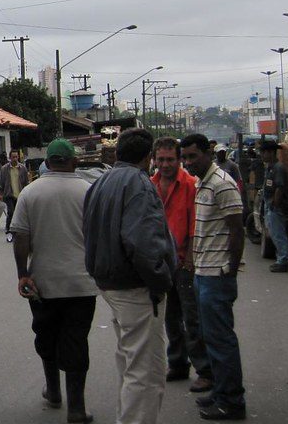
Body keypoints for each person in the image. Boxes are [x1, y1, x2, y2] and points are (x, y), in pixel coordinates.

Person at [83, 128, 176, 424]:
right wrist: (161, 280)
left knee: (130, 362)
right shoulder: (138, 184)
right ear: (148, 157)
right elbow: (142, 242)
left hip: (111, 284)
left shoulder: (102, 182)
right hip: (136, 288)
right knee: (145, 372)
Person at [11, 138, 96, 423]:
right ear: (73, 162)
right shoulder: (89, 191)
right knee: (76, 340)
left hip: (43, 283)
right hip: (81, 283)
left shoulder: (30, 192)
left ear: (48, 162)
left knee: (46, 336)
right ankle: (76, 408)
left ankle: (54, 390)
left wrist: (23, 273)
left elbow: (21, 236)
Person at [180, 134, 247, 420]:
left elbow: (237, 230)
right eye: (185, 157)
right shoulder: (201, 183)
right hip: (203, 273)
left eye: (192, 156)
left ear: (208, 153)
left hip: (216, 275)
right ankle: (221, 393)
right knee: (210, 338)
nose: (187, 162)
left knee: (221, 341)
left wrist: (230, 267)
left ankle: (231, 401)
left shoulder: (222, 184)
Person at [151, 137, 213, 393]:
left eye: (170, 159)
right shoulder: (150, 185)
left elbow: (194, 224)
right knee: (170, 317)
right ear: (154, 159)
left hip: (185, 262)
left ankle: (205, 370)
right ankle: (177, 363)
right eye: (161, 160)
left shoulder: (190, 185)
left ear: (179, 160)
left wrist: (189, 259)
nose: (165, 165)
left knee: (192, 318)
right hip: (162, 262)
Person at [259, 139, 288, 273]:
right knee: (273, 233)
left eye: (264, 152)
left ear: (270, 153)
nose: (262, 155)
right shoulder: (270, 167)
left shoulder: (278, 168)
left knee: (278, 234)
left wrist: (274, 204)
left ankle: (283, 260)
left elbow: (279, 188)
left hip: (274, 205)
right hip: (269, 203)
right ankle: (281, 259)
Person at [0, 149, 29, 235]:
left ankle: (18, 228)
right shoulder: (4, 169)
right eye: (13, 157)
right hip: (9, 194)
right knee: (11, 212)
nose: (15, 159)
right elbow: (0, 183)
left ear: (18, 157)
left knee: (19, 213)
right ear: (10, 158)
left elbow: (26, 182)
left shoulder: (23, 168)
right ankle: (8, 228)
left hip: (20, 194)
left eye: (16, 157)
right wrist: (0, 194)